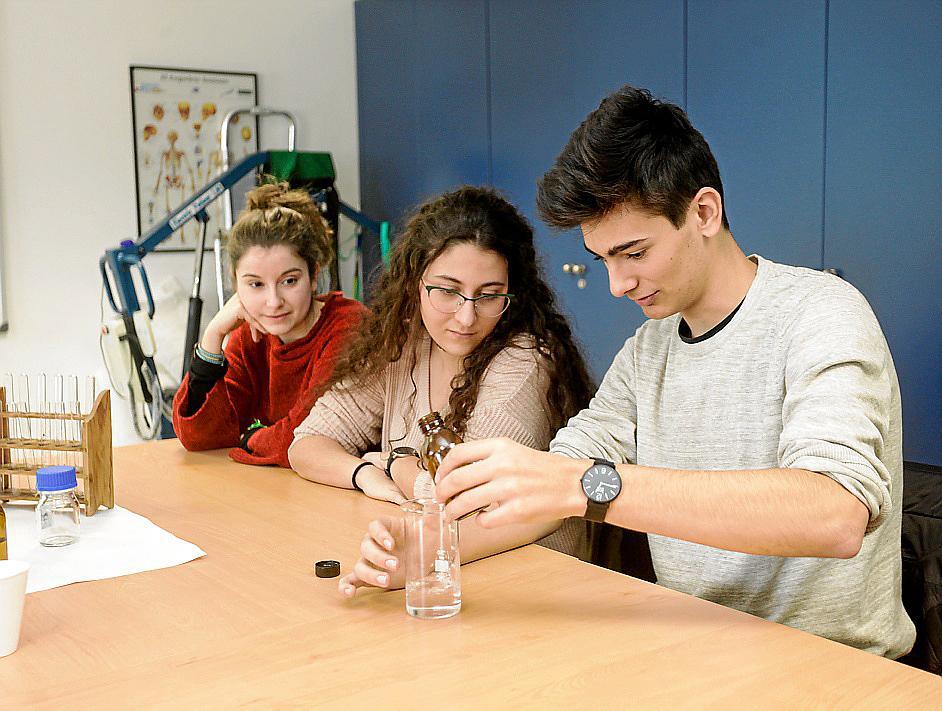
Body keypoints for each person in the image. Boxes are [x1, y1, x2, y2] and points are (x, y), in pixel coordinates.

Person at [433, 86, 916, 659]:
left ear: (704, 212)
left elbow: (835, 513)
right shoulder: (650, 349)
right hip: (697, 658)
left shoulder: (823, 313)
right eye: (604, 259)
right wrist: (431, 549)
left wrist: (580, 485)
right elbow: (555, 476)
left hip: (833, 670)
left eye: (633, 253)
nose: (617, 284)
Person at [287, 186, 594, 591]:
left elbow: (472, 504)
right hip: (445, 570)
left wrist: (395, 464)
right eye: (448, 291)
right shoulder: (403, 344)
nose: (466, 317)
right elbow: (308, 443)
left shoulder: (525, 361)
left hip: (529, 584)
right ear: (417, 282)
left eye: (489, 296)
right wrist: (364, 472)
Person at [172, 181, 367, 467]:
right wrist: (213, 336)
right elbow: (200, 437)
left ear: (313, 275)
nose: (273, 301)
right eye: (255, 284)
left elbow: (303, 439)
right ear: (235, 282)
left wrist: (247, 437)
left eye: (289, 281)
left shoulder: (348, 326)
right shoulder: (250, 334)